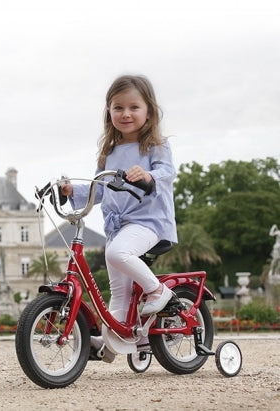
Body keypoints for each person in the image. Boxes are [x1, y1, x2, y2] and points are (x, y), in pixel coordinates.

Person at [60, 74, 177, 358]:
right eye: (118, 107)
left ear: (149, 111)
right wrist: (71, 190)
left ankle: (158, 291)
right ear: (109, 111)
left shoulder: (155, 146)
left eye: (134, 107)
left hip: (149, 222)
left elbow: (166, 173)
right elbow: (99, 189)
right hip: (118, 227)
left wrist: (148, 175)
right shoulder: (108, 153)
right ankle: (112, 342)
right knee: (119, 291)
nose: (126, 114)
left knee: (116, 254)